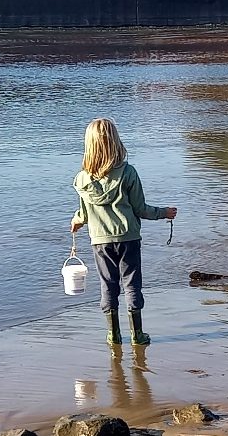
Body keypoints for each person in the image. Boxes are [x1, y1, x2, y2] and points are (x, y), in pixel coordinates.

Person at [70, 118, 177, 346]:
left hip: (99, 241)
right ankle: (137, 335)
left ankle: (113, 335)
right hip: (128, 238)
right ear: (116, 142)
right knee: (131, 283)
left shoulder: (82, 179)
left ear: (88, 145)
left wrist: (77, 222)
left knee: (108, 285)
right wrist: (164, 213)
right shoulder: (128, 173)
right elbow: (141, 209)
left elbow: (84, 213)